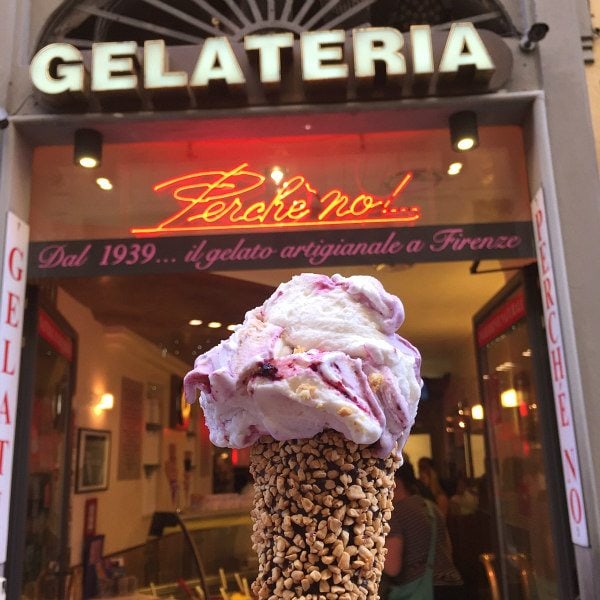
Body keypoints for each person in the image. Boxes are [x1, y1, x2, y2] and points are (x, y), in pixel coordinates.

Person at [383, 463, 464, 600]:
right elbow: (448, 549)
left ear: (395, 481)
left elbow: (392, 567)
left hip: (420, 591)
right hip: (452, 586)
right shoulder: (431, 507)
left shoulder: (395, 514)